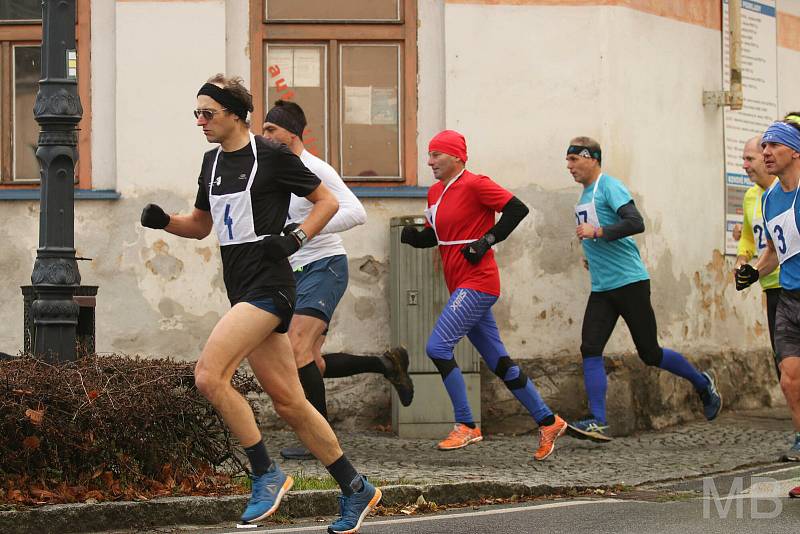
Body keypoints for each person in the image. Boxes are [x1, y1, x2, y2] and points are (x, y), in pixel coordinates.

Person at [139, 74, 380, 533]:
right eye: (197, 113)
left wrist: (297, 238)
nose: (201, 122)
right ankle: (356, 488)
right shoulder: (210, 164)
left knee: (209, 376)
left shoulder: (271, 157)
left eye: (208, 113)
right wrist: (164, 221)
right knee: (290, 402)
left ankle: (265, 473)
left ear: (234, 114)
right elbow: (200, 225)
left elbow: (327, 201)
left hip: (271, 286)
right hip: (241, 285)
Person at [400, 130, 567, 461]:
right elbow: (437, 236)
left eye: (436, 155)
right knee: (499, 361)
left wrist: (487, 240)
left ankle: (466, 424)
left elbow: (517, 209)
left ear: (457, 158)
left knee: (437, 346)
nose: (429, 161)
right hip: (458, 283)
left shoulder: (476, 184)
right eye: (429, 155)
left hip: (479, 282)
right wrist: (414, 238)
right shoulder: (435, 192)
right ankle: (549, 421)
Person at [261, 100, 414, 461]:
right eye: (262, 129)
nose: (263, 135)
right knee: (313, 361)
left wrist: (302, 232)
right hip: (293, 272)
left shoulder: (314, 168)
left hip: (324, 266)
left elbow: (355, 212)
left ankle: (319, 439)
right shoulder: (273, 168)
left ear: (292, 134)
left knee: (296, 347)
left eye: (271, 130)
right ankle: (384, 364)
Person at [567, 136, 722, 442]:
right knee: (590, 348)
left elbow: (635, 222)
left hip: (630, 283)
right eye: (567, 160)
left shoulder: (609, 187)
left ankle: (702, 383)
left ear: (592, 158)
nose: (569, 166)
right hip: (602, 287)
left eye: (574, 159)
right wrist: (591, 256)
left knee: (650, 353)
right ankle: (598, 421)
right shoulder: (584, 195)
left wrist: (597, 232)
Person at [736, 120, 800, 465]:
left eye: (774, 146)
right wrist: (752, 271)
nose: (765, 153)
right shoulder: (770, 199)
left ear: (795, 151)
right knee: (790, 382)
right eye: (764, 148)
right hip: (789, 299)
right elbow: (775, 252)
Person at [734, 135, 780, 377]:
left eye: (749, 159)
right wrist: (742, 258)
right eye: (743, 159)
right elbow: (749, 237)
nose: (744, 165)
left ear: (765, 158)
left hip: (792, 283)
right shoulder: (751, 196)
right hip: (770, 284)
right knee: (782, 359)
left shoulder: (788, 190)